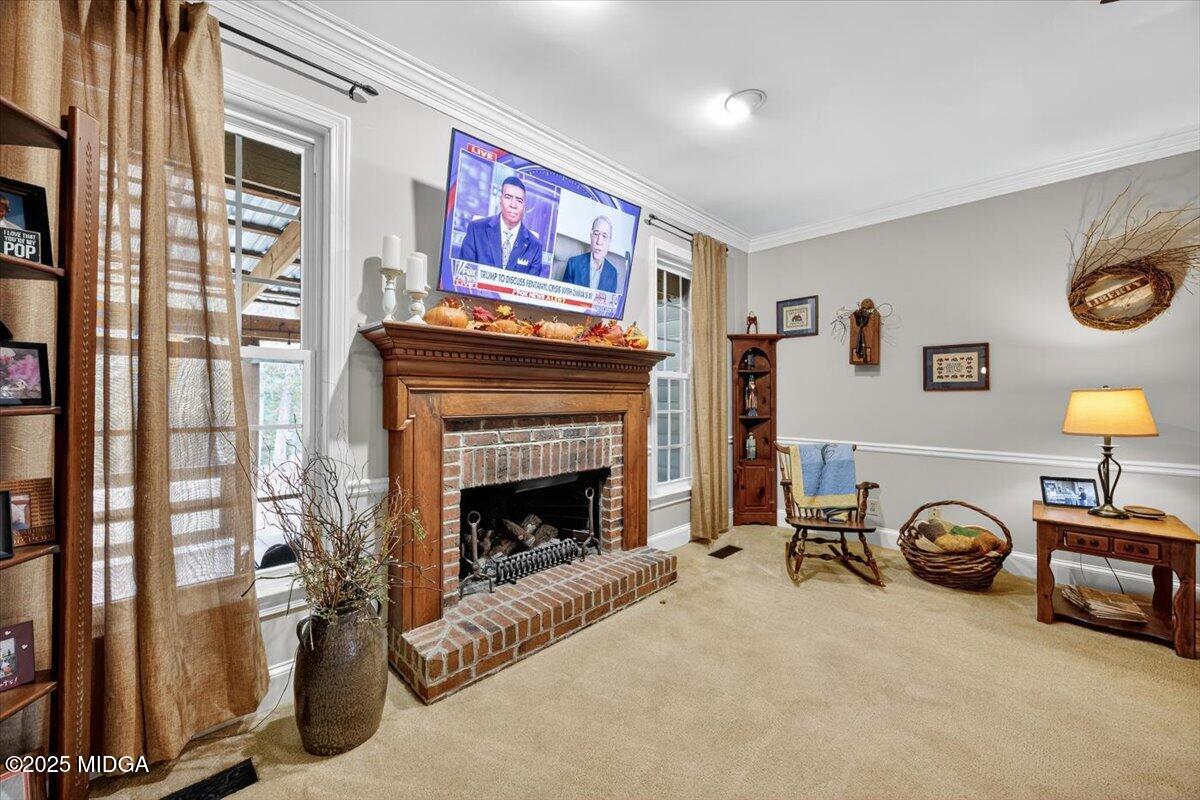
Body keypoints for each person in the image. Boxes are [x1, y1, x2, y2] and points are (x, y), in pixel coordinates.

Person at [459, 176, 545, 275]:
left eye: (519, 200)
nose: (513, 205)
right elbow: (464, 275)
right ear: (500, 200)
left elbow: (531, 283)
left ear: (524, 206)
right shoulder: (476, 230)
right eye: (508, 197)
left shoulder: (535, 246)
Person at [561, 215, 619, 292]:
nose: (599, 242)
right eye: (596, 234)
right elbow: (564, 297)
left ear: (609, 241)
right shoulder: (573, 264)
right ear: (591, 236)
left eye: (604, 236)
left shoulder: (613, 273)